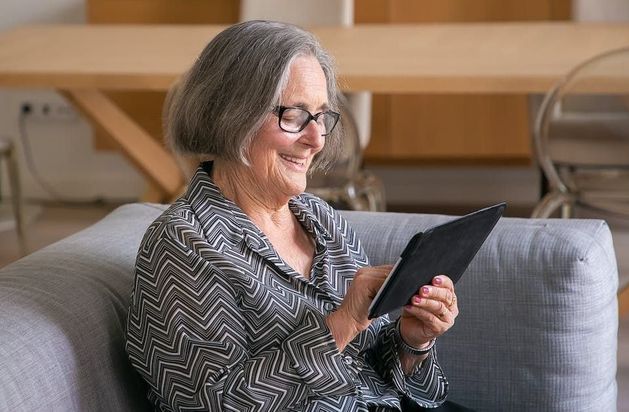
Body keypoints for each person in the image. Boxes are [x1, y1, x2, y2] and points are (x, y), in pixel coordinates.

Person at [126, 20, 460, 411]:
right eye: (294, 115)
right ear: (231, 116)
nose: (316, 139)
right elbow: (208, 403)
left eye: (320, 116)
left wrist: (413, 340)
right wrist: (340, 325)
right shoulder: (183, 244)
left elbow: (374, 367)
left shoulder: (318, 218)